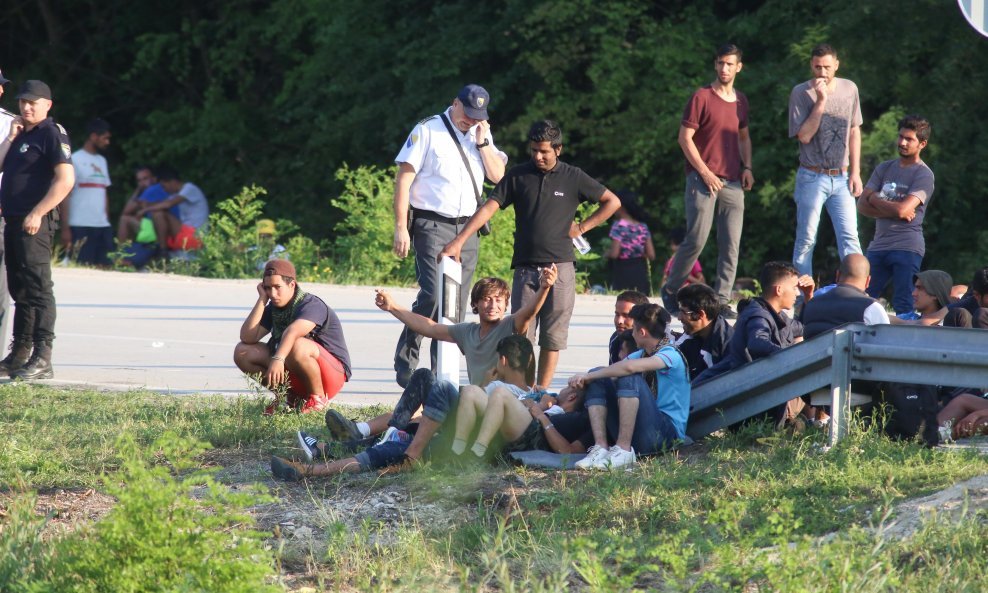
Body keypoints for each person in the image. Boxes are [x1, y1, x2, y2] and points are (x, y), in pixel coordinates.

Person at [271, 271, 556, 479]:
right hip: (471, 405)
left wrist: (543, 288)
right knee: (422, 378)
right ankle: (382, 436)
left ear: (506, 306)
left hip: (485, 413)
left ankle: (335, 453)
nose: (493, 305)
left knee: (422, 419)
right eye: (486, 299)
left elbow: (528, 314)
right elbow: (429, 327)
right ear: (476, 304)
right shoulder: (468, 332)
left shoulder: (509, 327)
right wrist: (394, 307)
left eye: (498, 300)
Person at [440, 119, 621, 388]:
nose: (538, 156)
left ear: (558, 149)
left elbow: (612, 201)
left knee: (553, 337)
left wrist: (582, 227)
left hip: (560, 268)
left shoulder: (573, 176)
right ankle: (521, 391)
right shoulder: (518, 175)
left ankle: (542, 395)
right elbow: (489, 207)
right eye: (534, 150)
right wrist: (459, 240)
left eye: (544, 151)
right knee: (521, 336)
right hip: (525, 269)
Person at [391, 84, 508, 389]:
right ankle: (407, 358)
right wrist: (401, 227)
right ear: (455, 103)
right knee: (432, 294)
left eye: (477, 116)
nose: (471, 120)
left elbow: (498, 177)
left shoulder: (481, 134)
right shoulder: (428, 130)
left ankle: (437, 374)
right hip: (431, 224)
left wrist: (483, 144)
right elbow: (404, 178)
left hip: (468, 228)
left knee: (454, 303)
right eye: (467, 113)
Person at [661, 44, 753, 319]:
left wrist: (747, 166)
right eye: (720, 63)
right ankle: (672, 289)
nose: (724, 69)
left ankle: (722, 299)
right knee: (696, 239)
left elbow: (743, 136)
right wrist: (704, 172)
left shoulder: (741, 101)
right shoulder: (701, 97)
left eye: (729, 64)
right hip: (702, 179)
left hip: (733, 180)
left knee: (731, 243)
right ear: (715, 65)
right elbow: (684, 138)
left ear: (739, 67)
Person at [0, 80, 75, 380]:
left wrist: (38, 212)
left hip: (35, 222)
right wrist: (10, 137)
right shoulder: (20, 134)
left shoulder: (51, 134)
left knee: (38, 287)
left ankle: (43, 356)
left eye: (33, 102)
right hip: (14, 220)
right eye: (23, 102)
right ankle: (20, 353)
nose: (27, 107)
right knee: (20, 289)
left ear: (48, 105)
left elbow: (65, 180)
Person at [568, 303, 691, 470]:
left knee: (629, 376)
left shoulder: (671, 354)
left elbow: (629, 368)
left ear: (642, 332)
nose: (631, 334)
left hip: (667, 435)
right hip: (643, 431)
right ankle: (600, 447)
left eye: (633, 330)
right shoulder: (640, 354)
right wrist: (587, 377)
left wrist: (589, 376)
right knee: (598, 374)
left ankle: (624, 450)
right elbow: (609, 372)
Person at [234, 259, 352, 414]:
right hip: (296, 371)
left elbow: (293, 332)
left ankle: (318, 400)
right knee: (242, 351)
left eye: (277, 287)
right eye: (268, 288)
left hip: (330, 375)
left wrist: (278, 359)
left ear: (292, 284)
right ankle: (288, 398)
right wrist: (262, 300)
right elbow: (248, 337)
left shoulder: (311, 304)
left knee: (295, 345)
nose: (273, 294)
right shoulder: (274, 308)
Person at [789, 43, 863, 281]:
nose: (822, 72)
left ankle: (857, 291)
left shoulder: (849, 88)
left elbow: (854, 131)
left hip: (841, 176)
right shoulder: (801, 93)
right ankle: (801, 297)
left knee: (850, 237)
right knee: (806, 239)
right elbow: (804, 135)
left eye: (827, 67)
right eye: (818, 67)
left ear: (837, 65)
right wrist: (821, 101)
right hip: (812, 175)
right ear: (811, 65)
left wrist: (856, 172)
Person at [856, 116, 935, 315]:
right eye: (900, 137)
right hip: (879, 245)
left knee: (904, 303)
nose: (902, 143)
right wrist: (888, 207)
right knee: (862, 298)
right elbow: (861, 206)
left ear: (922, 144)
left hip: (907, 246)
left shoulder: (924, 174)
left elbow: (903, 210)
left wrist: (874, 198)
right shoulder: (884, 168)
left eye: (909, 139)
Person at [696, 261, 814, 384]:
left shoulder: (778, 315)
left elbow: (807, 330)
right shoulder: (757, 315)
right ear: (779, 290)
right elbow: (757, 342)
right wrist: (791, 354)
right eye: (794, 288)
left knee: (800, 339)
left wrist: (808, 296)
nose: (797, 293)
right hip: (719, 393)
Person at [800, 253, 890, 339]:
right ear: (868, 281)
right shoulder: (871, 306)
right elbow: (886, 345)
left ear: (837, 275)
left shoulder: (811, 304)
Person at [61, 118, 112, 266]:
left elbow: (104, 193)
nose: (107, 142)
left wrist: (106, 219)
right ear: (94, 136)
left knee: (105, 266)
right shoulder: (75, 159)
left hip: (102, 225)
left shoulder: (102, 161)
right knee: (82, 266)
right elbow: (66, 195)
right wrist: (65, 228)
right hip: (80, 224)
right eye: (105, 138)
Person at [139, 165, 209, 254]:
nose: (164, 190)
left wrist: (145, 210)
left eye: (164, 186)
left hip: (195, 236)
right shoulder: (176, 194)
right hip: (185, 234)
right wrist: (146, 205)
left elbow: (167, 204)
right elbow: (161, 203)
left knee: (159, 213)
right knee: (157, 213)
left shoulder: (189, 188)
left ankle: (162, 250)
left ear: (172, 182)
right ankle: (160, 247)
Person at [672, 283, 733, 381]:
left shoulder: (727, 346)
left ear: (700, 314)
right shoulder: (691, 336)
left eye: (683, 312)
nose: (679, 317)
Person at [605, 190, 655, 294]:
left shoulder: (618, 226)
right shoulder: (643, 227)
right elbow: (651, 255)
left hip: (623, 272)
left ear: (620, 207)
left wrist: (606, 253)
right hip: (640, 271)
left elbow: (614, 254)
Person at [116, 165, 175, 244]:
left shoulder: (152, 190)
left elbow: (126, 211)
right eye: (139, 181)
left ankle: (121, 254)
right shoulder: (151, 190)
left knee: (124, 219)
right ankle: (129, 252)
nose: (142, 183)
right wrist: (139, 189)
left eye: (145, 179)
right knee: (128, 219)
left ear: (154, 179)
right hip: (155, 226)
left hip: (163, 227)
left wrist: (138, 190)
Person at [609, 290, 649, 364]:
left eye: (626, 316)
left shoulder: (652, 343)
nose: (619, 321)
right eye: (617, 314)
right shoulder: (615, 338)